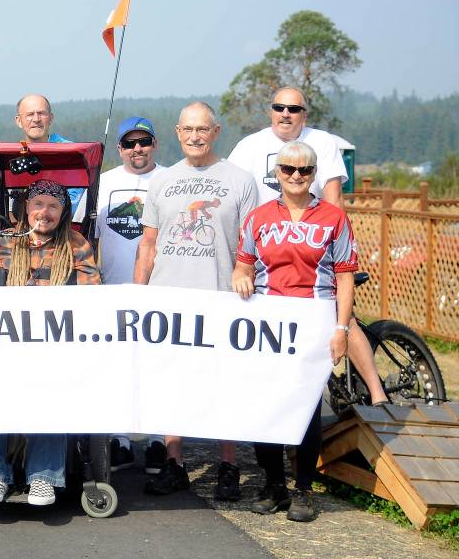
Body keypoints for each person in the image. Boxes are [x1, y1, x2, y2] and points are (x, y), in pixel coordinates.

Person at [228, 87, 388, 405]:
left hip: (314, 244)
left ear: (305, 114)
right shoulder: (249, 145)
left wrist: (335, 241)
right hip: (266, 248)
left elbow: (334, 198)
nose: (285, 113)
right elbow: (230, 193)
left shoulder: (323, 142)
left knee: (342, 317)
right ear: (270, 111)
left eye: (294, 108)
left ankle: (377, 393)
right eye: (279, 107)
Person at [134, 101, 258, 500]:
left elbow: (251, 243)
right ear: (177, 132)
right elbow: (148, 244)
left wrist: (244, 271)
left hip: (220, 298)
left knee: (223, 384)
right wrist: (139, 296)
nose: (195, 137)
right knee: (173, 384)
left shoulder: (240, 180)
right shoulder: (163, 181)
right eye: (188, 130)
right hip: (170, 297)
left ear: (216, 131)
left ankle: (228, 465)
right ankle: (175, 463)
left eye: (202, 129)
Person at [232, 140, 359, 522]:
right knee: (266, 405)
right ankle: (274, 485)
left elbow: (345, 276)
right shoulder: (258, 217)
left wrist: (341, 328)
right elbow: (244, 263)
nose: (296, 176)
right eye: (288, 169)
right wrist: (240, 277)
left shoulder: (334, 218)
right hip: (268, 322)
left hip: (314, 320)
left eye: (305, 170)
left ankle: (303, 489)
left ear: (314, 174)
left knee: (305, 407)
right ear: (277, 173)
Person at [0, 179, 101, 506]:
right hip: (4, 346)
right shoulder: (0, 243)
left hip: (56, 350)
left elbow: (91, 297)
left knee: (54, 391)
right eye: (38, 205)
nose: (45, 212)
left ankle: (43, 475)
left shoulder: (77, 245)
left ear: (63, 211)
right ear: (26, 209)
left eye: (53, 206)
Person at [94, 116, 167, 474]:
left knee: (157, 367)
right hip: (114, 289)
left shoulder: (170, 181)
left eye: (144, 142)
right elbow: (89, 237)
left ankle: (156, 440)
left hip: (162, 289)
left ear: (155, 144)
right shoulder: (103, 183)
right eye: (129, 143)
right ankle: (119, 439)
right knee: (117, 367)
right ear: (120, 148)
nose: (137, 149)